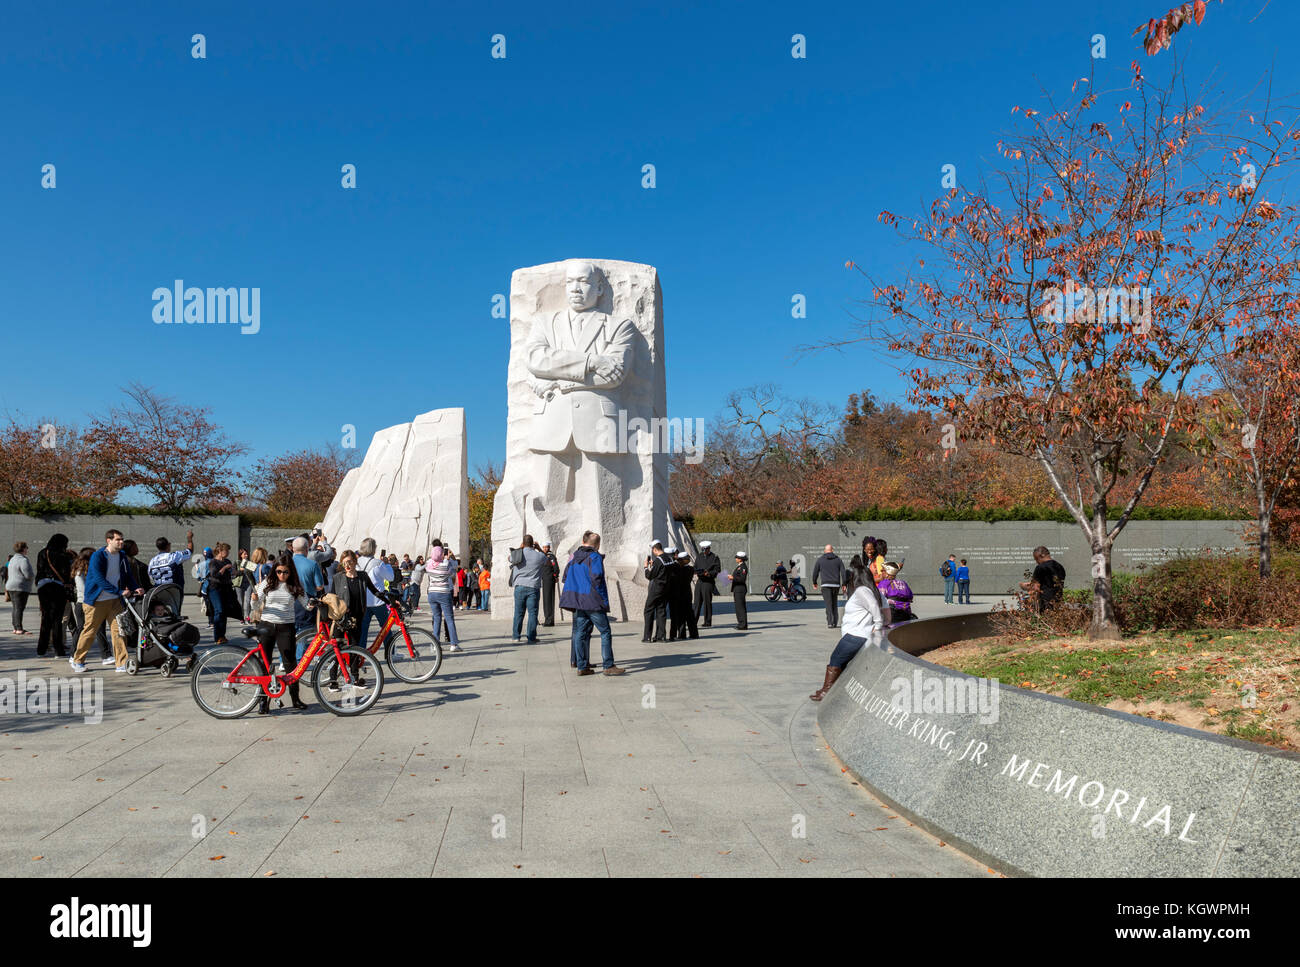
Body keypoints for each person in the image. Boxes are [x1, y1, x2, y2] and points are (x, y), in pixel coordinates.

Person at [810, 559, 885, 701]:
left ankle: (827, 691)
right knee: (841, 662)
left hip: (855, 635)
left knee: (836, 660)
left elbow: (873, 606)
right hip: (857, 634)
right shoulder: (869, 590)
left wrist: (878, 624)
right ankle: (833, 690)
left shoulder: (862, 590)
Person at [70, 529, 141, 673]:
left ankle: (121, 663)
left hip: (114, 601)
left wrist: (136, 587)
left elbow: (127, 575)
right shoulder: (98, 556)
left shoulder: (121, 556)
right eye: (118, 540)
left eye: (122, 539)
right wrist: (119, 591)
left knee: (119, 631)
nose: (121, 542)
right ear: (109, 541)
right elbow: (99, 579)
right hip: (96, 601)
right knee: (90, 631)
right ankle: (78, 661)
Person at [249, 555, 310, 712]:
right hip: (266, 625)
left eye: (285, 572)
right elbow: (255, 606)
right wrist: (254, 599)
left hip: (286, 627)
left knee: (290, 663)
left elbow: (307, 604)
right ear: (274, 570)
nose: (282, 575)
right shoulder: (268, 583)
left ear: (291, 572)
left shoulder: (295, 585)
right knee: (265, 663)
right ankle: (263, 701)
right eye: (278, 571)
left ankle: (295, 699)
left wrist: (317, 602)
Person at [562, 531, 623, 676]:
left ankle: (581, 666)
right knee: (605, 631)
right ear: (597, 545)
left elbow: (564, 577)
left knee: (580, 633)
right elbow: (597, 578)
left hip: (577, 600)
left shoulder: (573, 556)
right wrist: (602, 600)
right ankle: (608, 665)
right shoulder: (594, 557)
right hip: (592, 600)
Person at [70, 548, 113, 665]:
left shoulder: (88, 570)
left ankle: (106, 655)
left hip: (87, 602)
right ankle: (74, 654)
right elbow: (84, 589)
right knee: (85, 630)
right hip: (86, 603)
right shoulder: (80, 572)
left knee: (98, 629)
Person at [35, 534, 75, 658]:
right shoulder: (63, 555)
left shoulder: (43, 552)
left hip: (43, 586)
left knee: (46, 618)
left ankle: (41, 649)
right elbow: (66, 572)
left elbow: (40, 569)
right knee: (57, 619)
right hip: (58, 587)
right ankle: (58, 649)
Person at [508, 535, 547, 643]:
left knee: (518, 612)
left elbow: (509, 558)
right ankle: (531, 637)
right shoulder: (539, 555)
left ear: (523, 543)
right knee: (532, 613)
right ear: (533, 543)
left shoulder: (517, 554)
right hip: (533, 587)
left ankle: (516, 636)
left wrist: (520, 548)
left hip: (519, 586)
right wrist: (539, 549)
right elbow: (547, 560)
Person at [355, 538, 393, 649]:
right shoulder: (378, 563)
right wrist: (387, 564)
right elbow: (390, 577)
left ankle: (361, 654)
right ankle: (390, 652)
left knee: (363, 630)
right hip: (378, 600)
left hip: (363, 601)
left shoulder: (356, 562)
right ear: (373, 549)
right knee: (385, 628)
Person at [291, 537, 328, 651]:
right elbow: (319, 586)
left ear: (293, 549)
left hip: (287, 600)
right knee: (304, 631)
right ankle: (299, 660)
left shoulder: (285, 563)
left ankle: (284, 661)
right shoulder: (312, 564)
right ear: (307, 549)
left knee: (289, 631)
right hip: (307, 601)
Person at [423, 545, 461, 652]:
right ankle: (453, 644)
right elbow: (453, 573)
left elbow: (429, 562)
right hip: (444, 592)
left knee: (436, 618)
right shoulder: (445, 565)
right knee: (449, 618)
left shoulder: (429, 565)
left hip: (432, 593)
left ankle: (435, 644)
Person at [207, 543, 242, 643]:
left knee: (224, 612)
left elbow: (232, 573)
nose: (228, 553)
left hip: (226, 588)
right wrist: (225, 568)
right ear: (220, 552)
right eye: (227, 551)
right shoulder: (213, 562)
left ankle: (222, 636)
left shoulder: (227, 561)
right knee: (219, 610)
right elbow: (215, 575)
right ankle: (217, 636)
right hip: (215, 589)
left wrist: (240, 572)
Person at [811, 544, 847, 628]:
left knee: (828, 604)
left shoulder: (820, 560)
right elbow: (843, 572)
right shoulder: (838, 560)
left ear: (825, 550)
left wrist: (814, 582)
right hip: (836, 585)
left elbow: (815, 572)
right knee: (834, 603)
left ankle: (830, 622)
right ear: (832, 550)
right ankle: (835, 622)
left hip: (825, 585)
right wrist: (844, 584)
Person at [1021, 546, 1066, 612]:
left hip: (1045, 602)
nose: (1037, 562)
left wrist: (1024, 586)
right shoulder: (1060, 566)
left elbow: (1035, 588)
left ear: (1041, 555)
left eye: (1036, 559)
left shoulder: (1040, 568)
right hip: (1058, 601)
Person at [641, 540, 669, 642]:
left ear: (655, 549)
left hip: (656, 589)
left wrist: (646, 567)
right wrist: (654, 566)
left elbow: (649, 576)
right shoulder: (668, 558)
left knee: (648, 611)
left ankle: (647, 636)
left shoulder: (658, 560)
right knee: (661, 611)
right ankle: (661, 636)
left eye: (653, 550)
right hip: (665, 589)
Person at [5, 542, 34, 635]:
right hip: (20, 587)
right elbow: (28, 574)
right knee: (19, 608)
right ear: (23, 549)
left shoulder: (12, 559)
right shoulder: (23, 560)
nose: (27, 549)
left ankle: (15, 627)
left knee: (15, 607)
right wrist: (32, 576)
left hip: (10, 586)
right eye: (27, 547)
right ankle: (19, 628)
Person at [669, 551, 699, 640]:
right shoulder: (690, 569)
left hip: (680, 595)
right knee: (690, 615)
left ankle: (682, 634)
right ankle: (694, 633)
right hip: (687, 594)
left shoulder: (680, 569)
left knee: (681, 615)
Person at [692, 540, 721, 627]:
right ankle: (693, 621)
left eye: (705, 550)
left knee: (707, 602)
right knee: (697, 602)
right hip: (700, 581)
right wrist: (696, 572)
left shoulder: (714, 557)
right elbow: (695, 567)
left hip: (708, 582)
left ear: (709, 548)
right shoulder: (699, 556)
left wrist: (709, 574)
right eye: (703, 550)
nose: (704, 551)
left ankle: (707, 621)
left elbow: (717, 570)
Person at [540, 541, 559, 626]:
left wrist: (555, 576)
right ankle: (549, 620)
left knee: (548, 600)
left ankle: (549, 620)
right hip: (545, 580)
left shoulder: (551, 556)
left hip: (549, 580)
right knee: (547, 600)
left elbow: (556, 567)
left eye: (547, 547)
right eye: (544, 547)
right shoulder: (541, 556)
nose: (545, 549)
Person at [731, 551, 750, 631]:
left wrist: (733, 578)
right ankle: (741, 623)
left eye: (737, 558)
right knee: (738, 607)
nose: (736, 559)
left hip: (740, 589)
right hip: (737, 588)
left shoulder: (743, 567)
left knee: (740, 607)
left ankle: (743, 625)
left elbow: (742, 579)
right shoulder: (739, 566)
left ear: (741, 559)